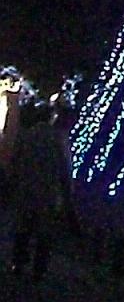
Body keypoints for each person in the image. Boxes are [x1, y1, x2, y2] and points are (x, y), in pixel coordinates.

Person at [8, 101, 73, 280]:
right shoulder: (59, 139)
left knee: (24, 228)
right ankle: (39, 269)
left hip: (27, 188)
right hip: (49, 192)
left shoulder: (28, 136)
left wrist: (13, 183)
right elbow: (65, 169)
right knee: (44, 232)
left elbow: (16, 161)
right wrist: (67, 194)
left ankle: (18, 263)